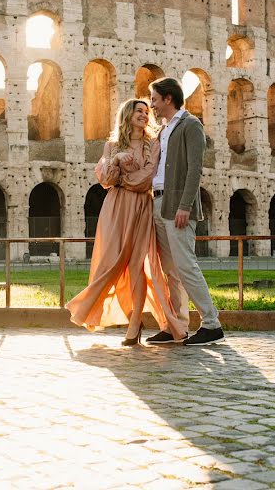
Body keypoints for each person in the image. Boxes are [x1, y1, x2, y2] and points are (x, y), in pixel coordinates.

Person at [66, 99, 188, 346]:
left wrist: (123, 178)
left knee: (136, 267)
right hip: (115, 209)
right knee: (110, 263)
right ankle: (129, 315)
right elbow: (105, 179)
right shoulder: (111, 145)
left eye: (146, 111)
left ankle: (134, 325)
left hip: (141, 207)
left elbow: (147, 179)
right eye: (139, 111)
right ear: (127, 115)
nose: (144, 115)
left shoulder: (152, 144)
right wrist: (117, 160)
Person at [145, 77, 224, 346]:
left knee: (185, 265)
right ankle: (177, 326)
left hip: (177, 204)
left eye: (154, 99)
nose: (152, 105)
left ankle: (212, 324)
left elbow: (194, 170)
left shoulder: (191, 125)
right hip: (158, 202)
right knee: (171, 270)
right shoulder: (163, 130)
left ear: (168, 98)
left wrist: (185, 206)